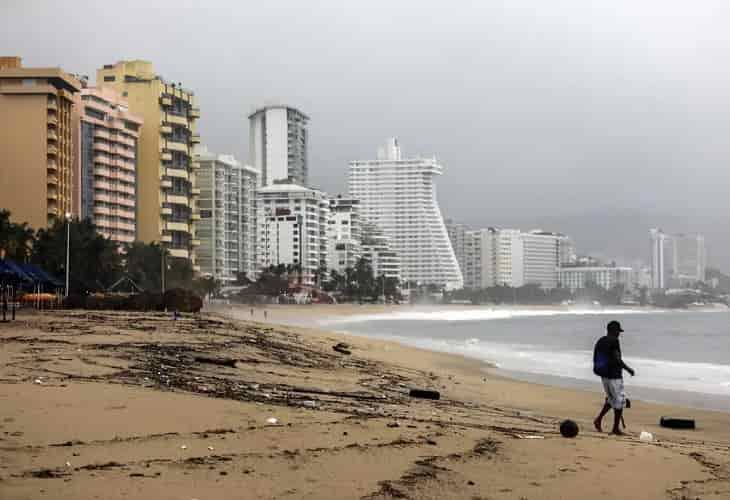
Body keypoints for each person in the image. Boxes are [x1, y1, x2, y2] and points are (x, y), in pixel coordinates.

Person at [593, 320, 635, 435]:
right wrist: (628, 369)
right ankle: (615, 429)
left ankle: (598, 420)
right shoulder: (614, 341)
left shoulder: (601, 340)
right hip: (614, 375)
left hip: (604, 375)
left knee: (612, 399)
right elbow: (617, 358)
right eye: (618, 331)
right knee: (620, 401)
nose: (619, 334)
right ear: (613, 330)